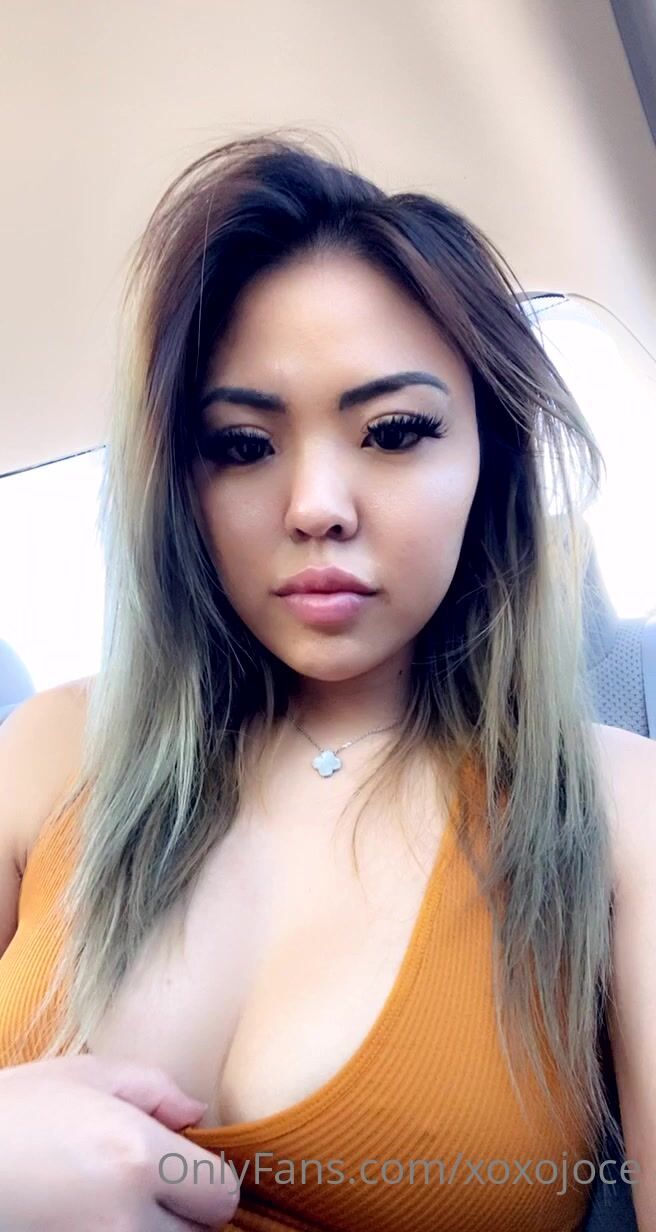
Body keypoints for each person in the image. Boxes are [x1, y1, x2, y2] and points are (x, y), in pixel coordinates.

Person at [0, 129, 654, 1231]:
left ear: (488, 457)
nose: (314, 505)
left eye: (392, 432)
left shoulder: (616, 805)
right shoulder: (50, 747)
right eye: (242, 444)